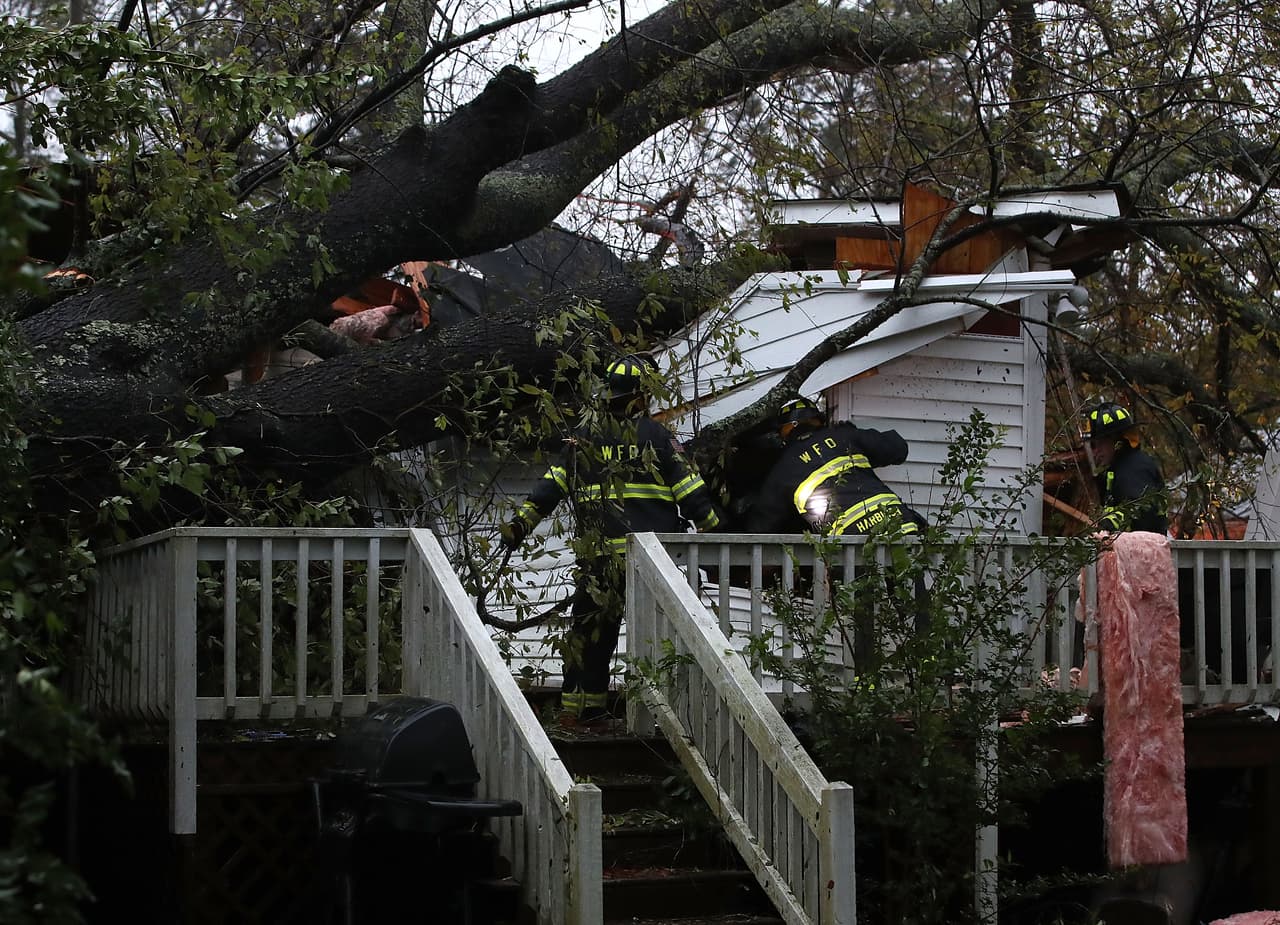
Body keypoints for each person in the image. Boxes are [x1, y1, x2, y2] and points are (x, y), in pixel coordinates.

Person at [500, 354, 724, 723]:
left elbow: (550, 487)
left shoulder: (583, 437)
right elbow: (691, 492)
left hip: (599, 557)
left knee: (589, 634)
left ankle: (582, 713)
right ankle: (661, 715)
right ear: (641, 395)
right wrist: (717, 529)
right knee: (659, 636)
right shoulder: (657, 437)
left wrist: (519, 527)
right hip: (650, 562)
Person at [742, 396, 925, 537]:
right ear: (818, 420)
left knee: (865, 586)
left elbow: (759, 528)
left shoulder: (783, 471)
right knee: (910, 584)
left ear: (786, 431)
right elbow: (897, 447)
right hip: (897, 523)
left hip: (851, 545)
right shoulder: (845, 436)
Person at [1083, 401, 1167, 534]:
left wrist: (1108, 525)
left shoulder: (1133, 470)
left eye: (1099, 444)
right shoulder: (1121, 467)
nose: (1095, 451)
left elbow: (1141, 513)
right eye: (1093, 445)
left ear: (1118, 440)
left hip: (1141, 551)